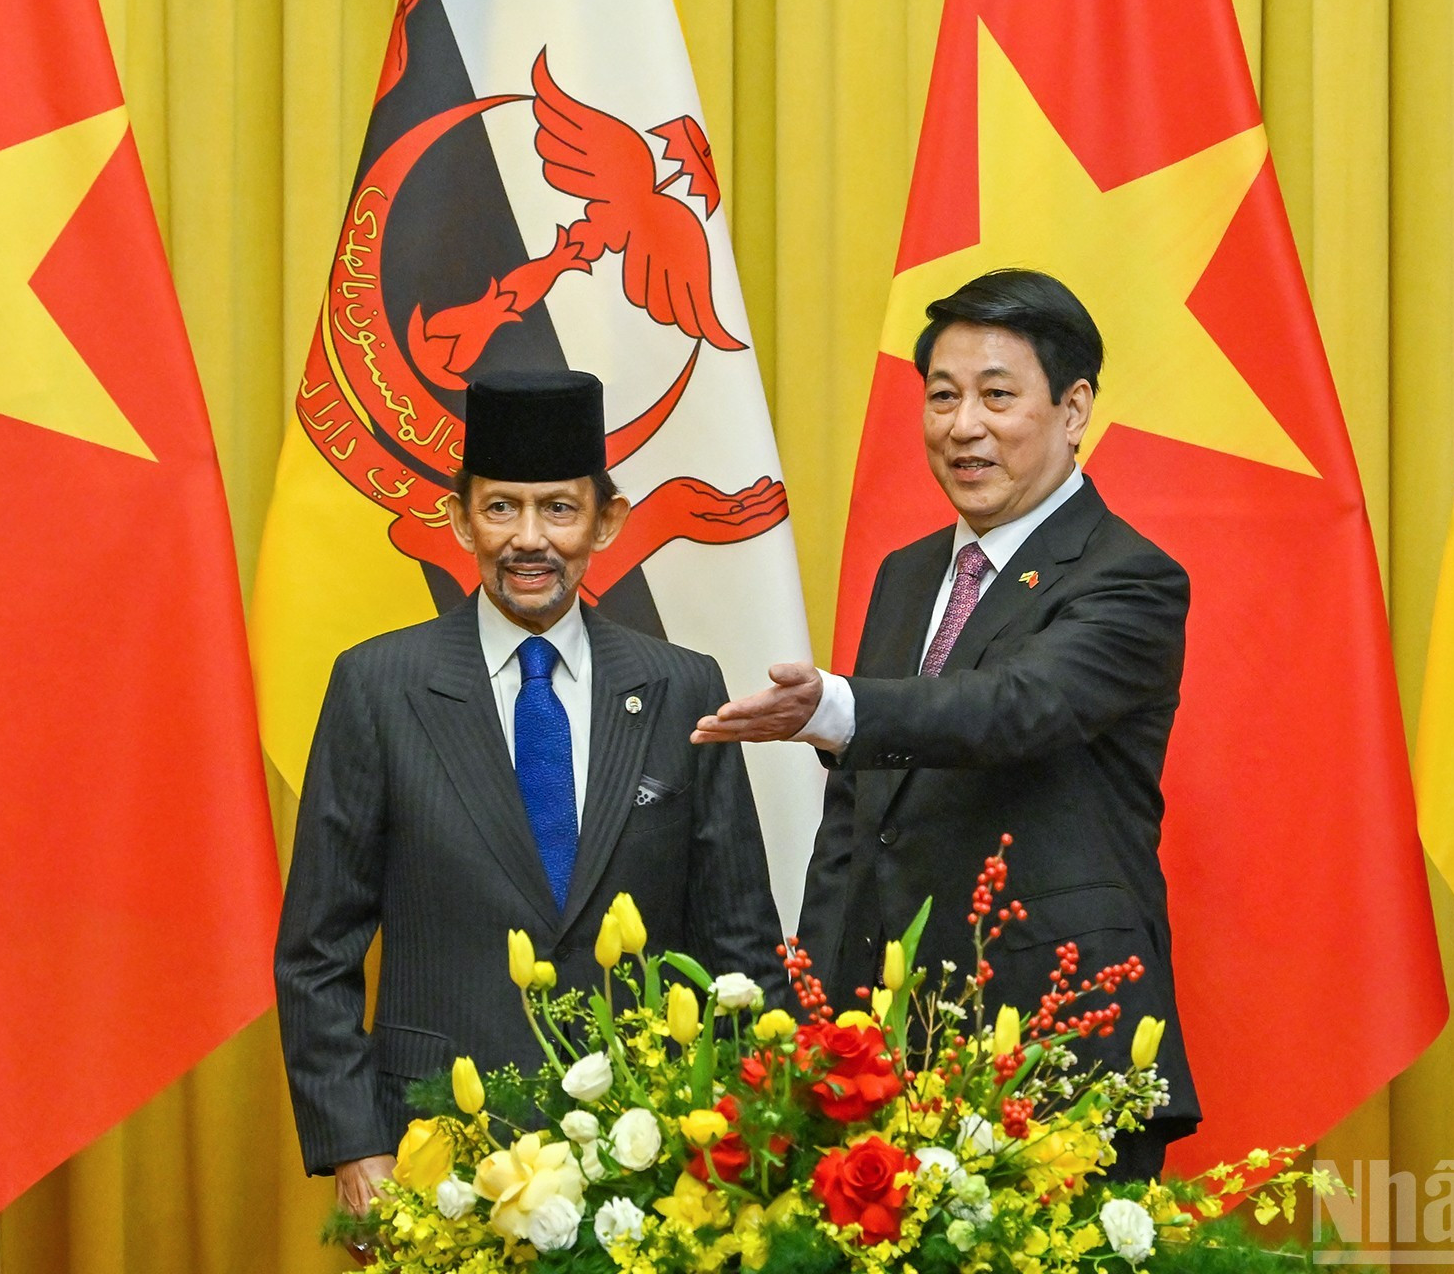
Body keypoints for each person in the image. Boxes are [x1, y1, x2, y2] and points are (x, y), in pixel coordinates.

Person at [692, 269, 1197, 1176]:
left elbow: (1016, 707)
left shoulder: (1129, 577)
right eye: (943, 397)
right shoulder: (909, 573)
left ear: (1074, 408)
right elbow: (861, 819)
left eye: (998, 397)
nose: (964, 426)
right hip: (885, 1051)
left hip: (1053, 1039)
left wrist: (837, 705)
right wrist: (815, 1018)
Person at [277, 369, 788, 1214]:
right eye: (501, 507)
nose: (529, 538)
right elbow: (317, 950)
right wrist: (353, 1144)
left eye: (559, 508)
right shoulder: (379, 686)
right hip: (435, 1152)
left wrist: (753, 1129)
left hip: (646, 1156)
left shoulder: (682, 689)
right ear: (458, 518)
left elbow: (739, 942)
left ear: (607, 520)